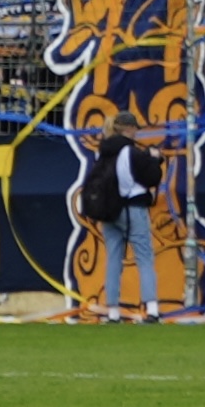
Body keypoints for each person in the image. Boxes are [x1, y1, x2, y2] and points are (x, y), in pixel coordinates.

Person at [80, 114, 169, 320]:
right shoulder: (130, 152)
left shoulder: (103, 152)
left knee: (113, 260)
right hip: (132, 208)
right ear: (128, 128)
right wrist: (154, 159)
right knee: (144, 257)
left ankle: (112, 312)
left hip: (108, 211)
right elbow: (151, 178)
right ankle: (152, 309)